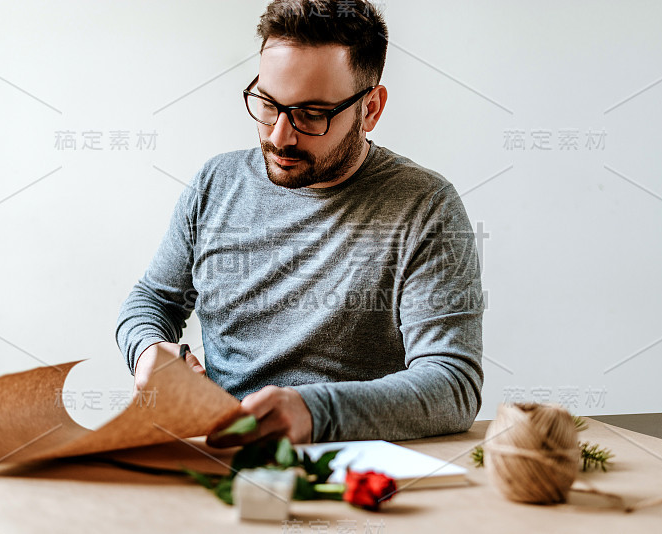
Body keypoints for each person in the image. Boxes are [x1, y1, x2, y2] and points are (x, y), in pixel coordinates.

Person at [116, 0, 484, 447]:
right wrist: (149, 352)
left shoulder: (426, 206)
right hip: (215, 457)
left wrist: (314, 412)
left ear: (370, 109)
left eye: (312, 114)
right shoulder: (216, 182)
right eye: (268, 104)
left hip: (346, 470)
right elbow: (153, 299)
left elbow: (452, 386)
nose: (279, 136)